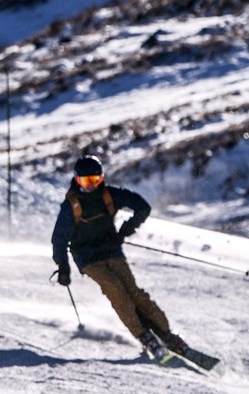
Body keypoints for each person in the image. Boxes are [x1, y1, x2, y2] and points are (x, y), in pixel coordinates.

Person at [50, 155, 195, 361]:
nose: (90, 186)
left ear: (101, 178)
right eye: (85, 181)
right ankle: (144, 335)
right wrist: (63, 266)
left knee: (134, 293)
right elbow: (59, 239)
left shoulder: (110, 195)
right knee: (116, 290)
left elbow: (142, 207)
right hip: (87, 257)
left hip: (111, 250)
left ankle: (165, 334)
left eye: (94, 180)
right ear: (76, 180)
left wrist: (125, 230)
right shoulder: (71, 205)